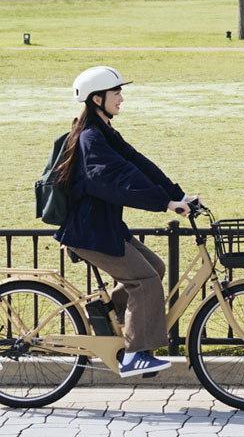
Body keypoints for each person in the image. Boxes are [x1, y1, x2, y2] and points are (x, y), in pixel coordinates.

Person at [54, 66, 195, 378]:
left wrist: (177, 194)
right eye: (115, 92)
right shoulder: (92, 138)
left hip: (103, 227)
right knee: (144, 282)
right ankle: (134, 355)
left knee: (154, 269)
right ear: (97, 99)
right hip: (89, 232)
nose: (121, 97)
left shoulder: (105, 133)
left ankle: (104, 316)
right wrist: (164, 203)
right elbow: (117, 180)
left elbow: (139, 165)